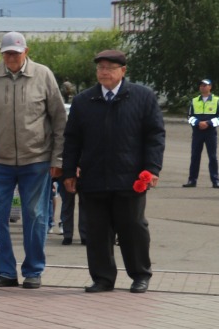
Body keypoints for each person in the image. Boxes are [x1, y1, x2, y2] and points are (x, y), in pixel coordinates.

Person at [61, 49, 165, 293]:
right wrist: (68, 173)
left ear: (123, 71)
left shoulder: (142, 97)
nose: (104, 72)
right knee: (96, 232)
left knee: (133, 229)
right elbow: (72, 139)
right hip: (94, 178)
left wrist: (151, 168)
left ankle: (140, 275)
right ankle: (103, 278)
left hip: (130, 179)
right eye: (100, 68)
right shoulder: (84, 101)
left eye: (109, 67)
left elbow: (155, 136)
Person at [0, 32, 66, 289]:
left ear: (26, 51)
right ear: (1, 54)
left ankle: (33, 270)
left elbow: (59, 119)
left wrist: (57, 157)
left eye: (15, 53)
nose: (11, 58)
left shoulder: (43, 75)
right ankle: (4, 270)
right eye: (6, 53)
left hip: (36, 160)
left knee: (36, 215)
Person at [183, 78, 219, 188]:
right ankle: (192, 180)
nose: (203, 87)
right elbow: (189, 116)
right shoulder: (194, 100)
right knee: (195, 156)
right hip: (197, 132)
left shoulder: (217, 100)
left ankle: (215, 181)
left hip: (210, 132)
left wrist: (209, 123)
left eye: (205, 85)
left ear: (210, 87)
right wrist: (197, 123)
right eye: (201, 85)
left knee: (213, 157)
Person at [56, 80, 82, 245]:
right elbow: (61, 148)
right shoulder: (62, 131)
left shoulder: (84, 127)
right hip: (66, 168)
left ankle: (85, 234)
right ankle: (67, 234)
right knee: (67, 202)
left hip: (83, 168)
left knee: (85, 204)